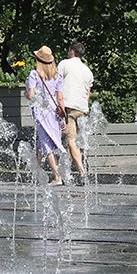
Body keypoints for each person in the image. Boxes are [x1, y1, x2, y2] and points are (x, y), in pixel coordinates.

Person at [27, 46, 65, 186]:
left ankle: (57, 176)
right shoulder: (58, 75)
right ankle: (37, 172)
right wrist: (63, 115)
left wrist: (28, 94)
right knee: (45, 140)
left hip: (41, 112)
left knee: (46, 142)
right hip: (54, 112)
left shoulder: (34, 74)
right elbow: (60, 98)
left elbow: (31, 96)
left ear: (38, 60)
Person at [57, 42, 94, 182]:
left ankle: (82, 172)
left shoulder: (64, 64)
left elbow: (57, 85)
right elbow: (88, 93)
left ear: (72, 51)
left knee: (71, 140)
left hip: (69, 108)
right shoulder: (87, 70)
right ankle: (66, 174)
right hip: (83, 109)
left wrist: (59, 105)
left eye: (68, 49)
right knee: (76, 141)